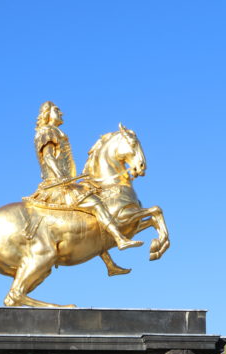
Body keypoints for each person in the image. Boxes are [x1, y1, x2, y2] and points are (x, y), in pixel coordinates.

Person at [31, 101, 143, 251]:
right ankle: (120, 239)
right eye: (56, 110)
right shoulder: (47, 132)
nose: (61, 113)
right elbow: (48, 157)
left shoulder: (55, 132)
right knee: (96, 204)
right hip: (57, 185)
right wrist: (59, 177)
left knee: (94, 215)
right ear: (47, 114)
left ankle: (110, 263)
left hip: (65, 183)